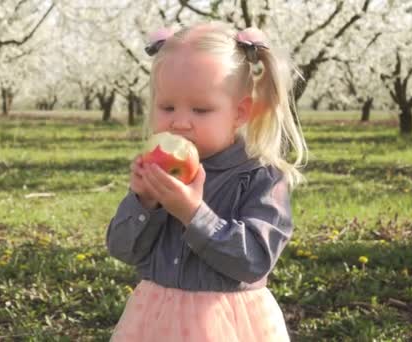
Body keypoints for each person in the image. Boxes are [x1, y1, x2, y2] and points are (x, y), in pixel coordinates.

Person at [106, 21, 307, 342]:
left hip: (227, 323)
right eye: (167, 107)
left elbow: (254, 260)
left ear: (240, 113)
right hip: (156, 321)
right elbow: (121, 249)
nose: (180, 122)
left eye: (201, 110)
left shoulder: (259, 176)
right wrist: (142, 202)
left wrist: (192, 213)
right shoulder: (160, 171)